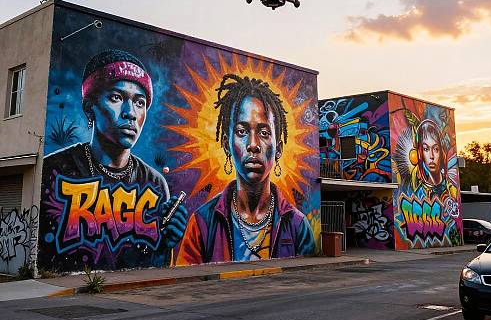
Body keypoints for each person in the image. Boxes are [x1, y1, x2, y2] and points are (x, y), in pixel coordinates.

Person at [39, 49, 187, 271]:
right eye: (116, 98)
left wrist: (166, 243)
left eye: (139, 102)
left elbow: (157, 266)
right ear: (90, 107)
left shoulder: (155, 184)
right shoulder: (54, 171)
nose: (130, 113)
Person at [177, 74, 315, 264]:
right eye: (242, 132)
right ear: (227, 144)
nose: (253, 144)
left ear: (279, 148)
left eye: (264, 133)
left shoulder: (297, 225)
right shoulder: (202, 224)